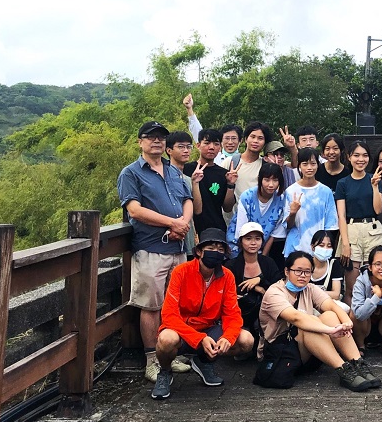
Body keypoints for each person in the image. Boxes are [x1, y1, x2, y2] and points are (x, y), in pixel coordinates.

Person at [117, 121, 194, 382]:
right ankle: (152, 359)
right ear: (140, 141)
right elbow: (135, 210)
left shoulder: (173, 171)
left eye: (161, 137)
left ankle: (169, 354)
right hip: (150, 247)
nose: (157, 141)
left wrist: (182, 224)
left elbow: (187, 200)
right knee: (150, 305)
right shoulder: (131, 173)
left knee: (174, 304)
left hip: (178, 246)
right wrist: (172, 223)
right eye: (150, 137)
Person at [151, 228, 255, 399]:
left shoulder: (227, 276)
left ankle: (204, 361)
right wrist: (198, 339)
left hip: (209, 328)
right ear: (199, 251)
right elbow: (169, 314)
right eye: (211, 248)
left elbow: (232, 314)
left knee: (246, 341)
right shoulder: (181, 272)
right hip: (182, 329)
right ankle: (165, 371)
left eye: (220, 249)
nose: (216, 252)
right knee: (166, 339)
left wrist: (227, 338)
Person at [258, 251, 380, 391]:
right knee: (309, 323)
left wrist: (347, 322)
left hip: (306, 350)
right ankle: (344, 370)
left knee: (330, 315)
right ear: (287, 271)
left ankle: (358, 363)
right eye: (298, 271)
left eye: (307, 272)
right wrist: (330, 330)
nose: (303, 275)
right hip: (279, 354)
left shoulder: (309, 288)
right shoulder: (274, 292)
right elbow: (295, 317)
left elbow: (331, 305)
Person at [335, 141, 382, 307]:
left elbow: (378, 210)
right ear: (349, 157)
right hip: (351, 231)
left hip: (373, 230)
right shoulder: (343, 183)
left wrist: (375, 187)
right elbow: (341, 215)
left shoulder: (374, 178)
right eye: (356, 155)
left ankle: (373, 318)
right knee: (352, 285)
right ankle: (352, 320)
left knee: (376, 280)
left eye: (364, 155)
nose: (360, 159)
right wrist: (345, 244)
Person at [224, 222, 283, 341]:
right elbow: (228, 289)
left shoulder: (268, 262)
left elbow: (279, 285)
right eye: (248, 239)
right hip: (240, 311)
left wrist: (260, 280)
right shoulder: (231, 265)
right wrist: (256, 288)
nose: (253, 242)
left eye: (257, 239)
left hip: (266, 309)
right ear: (241, 241)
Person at [283, 148, 339, 256]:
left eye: (313, 164)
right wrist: (293, 212)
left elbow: (330, 226)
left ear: (318, 165)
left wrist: (324, 247)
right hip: (295, 248)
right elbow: (288, 226)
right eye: (305, 164)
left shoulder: (326, 191)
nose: (309, 168)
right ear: (299, 166)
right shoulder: (290, 191)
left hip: (319, 249)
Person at [183, 129, 236, 234]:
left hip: (216, 229)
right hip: (190, 228)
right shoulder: (186, 169)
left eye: (216, 144)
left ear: (220, 148)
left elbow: (227, 208)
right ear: (198, 145)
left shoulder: (224, 174)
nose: (211, 147)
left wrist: (231, 184)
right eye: (207, 143)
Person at [227, 162, 285, 257]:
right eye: (267, 180)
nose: (271, 184)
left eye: (275, 180)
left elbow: (273, 235)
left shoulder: (281, 200)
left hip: (260, 249)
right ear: (260, 179)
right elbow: (240, 231)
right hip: (238, 247)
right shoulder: (247, 197)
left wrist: (263, 258)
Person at [183, 93, 241, 165]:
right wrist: (189, 109)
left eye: (233, 138)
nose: (230, 142)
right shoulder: (214, 157)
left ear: (240, 141)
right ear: (221, 142)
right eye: (227, 138)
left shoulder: (244, 160)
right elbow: (198, 132)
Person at [165, 131, 197, 255]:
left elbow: (197, 209)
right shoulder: (163, 177)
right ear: (169, 150)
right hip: (168, 239)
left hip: (188, 239)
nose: (186, 150)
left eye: (189, 147)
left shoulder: (188, 179)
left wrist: (195, 183)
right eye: (181, 147)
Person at [223, 121, 272, 204]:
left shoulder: (265, 166)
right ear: (246, 139)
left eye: (260, 138)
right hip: (232, 212)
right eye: (252, 137)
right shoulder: (230, 162)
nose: (255, 141)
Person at [308, 230, 348, 311]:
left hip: (326, 304)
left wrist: (311, 293)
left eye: (329, 246)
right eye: (321, 245)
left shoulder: (334, 264)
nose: (325, 249)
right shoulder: (305, 263)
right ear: (312, 247)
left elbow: (336, 294)